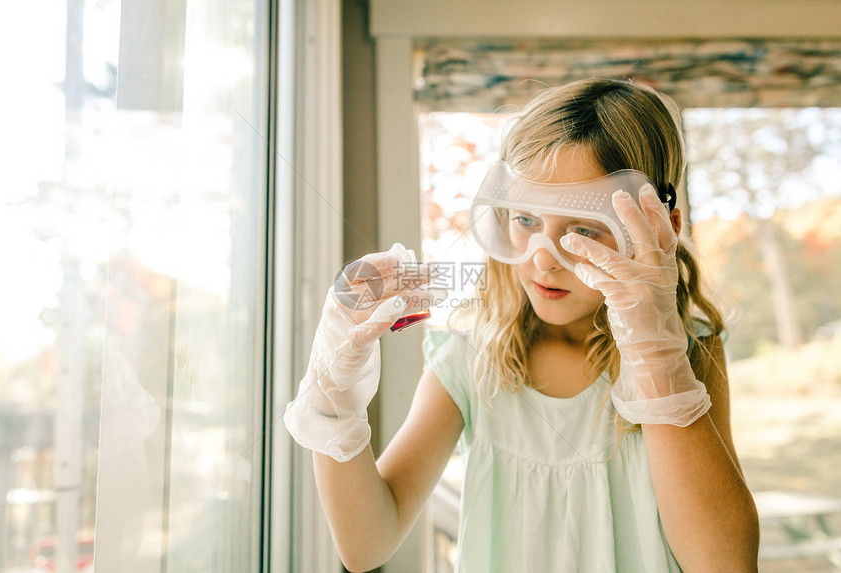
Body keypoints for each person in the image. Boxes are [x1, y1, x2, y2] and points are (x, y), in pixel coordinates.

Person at [284, 78, 760, 572]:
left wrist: (658, 356)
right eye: (526, 219)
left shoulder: (690, 354)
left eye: (582, 230)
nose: (542, 261)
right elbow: (366, 546)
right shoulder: (472, 357)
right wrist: (332, 397)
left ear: (659, 232)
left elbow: (723, 564)